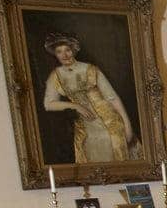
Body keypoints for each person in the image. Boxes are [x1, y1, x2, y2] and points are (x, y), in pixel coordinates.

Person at [41, 32, 138, 163]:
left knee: (113, 139)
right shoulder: (56, 75)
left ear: (73, 51)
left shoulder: (91, 69)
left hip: (109, 117)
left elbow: (112, 97)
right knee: (88, 143)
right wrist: (75, 106)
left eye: (67, 50)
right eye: (59, 52)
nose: (64, 55)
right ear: (55, 54)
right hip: (85, 120)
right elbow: (49, 104)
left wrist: (127, 124)